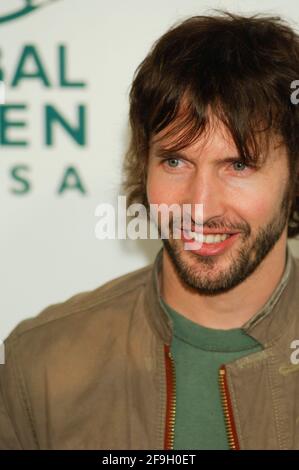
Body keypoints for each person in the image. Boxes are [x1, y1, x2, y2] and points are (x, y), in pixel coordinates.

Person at [1, 10, 299, 450]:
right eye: (175, 162)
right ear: (144, 166)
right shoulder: (41, 364)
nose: (199, 206)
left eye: (237, 165)